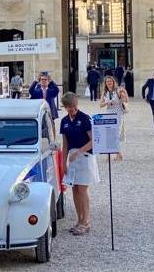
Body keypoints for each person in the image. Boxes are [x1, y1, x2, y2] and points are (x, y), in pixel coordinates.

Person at [59, 92, 97, 236]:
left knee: (82, 190)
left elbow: (93, 140)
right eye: (69, 107)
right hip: (73, 159)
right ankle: (79, 219)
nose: (72, 109)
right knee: (75, 190)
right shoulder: (64, 121)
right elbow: (65, 144)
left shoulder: (85, 118)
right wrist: (63, 163)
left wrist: (80, 151)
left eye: (74, 106)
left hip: (85, 157)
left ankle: (86, 221)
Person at [99, 75, 128, 161]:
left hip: (118, 114)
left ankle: (117, 154)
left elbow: (125, 100)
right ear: (105, 83)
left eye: (110, 81)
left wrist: (124, 94)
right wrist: (107, 102)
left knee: (115, 135)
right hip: (109, 114)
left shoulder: (118, 90)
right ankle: (117, 154)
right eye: (107, 82)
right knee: (109, 135)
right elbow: (100, 105)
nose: (109, 83)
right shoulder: (104, 93)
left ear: (113, 82)